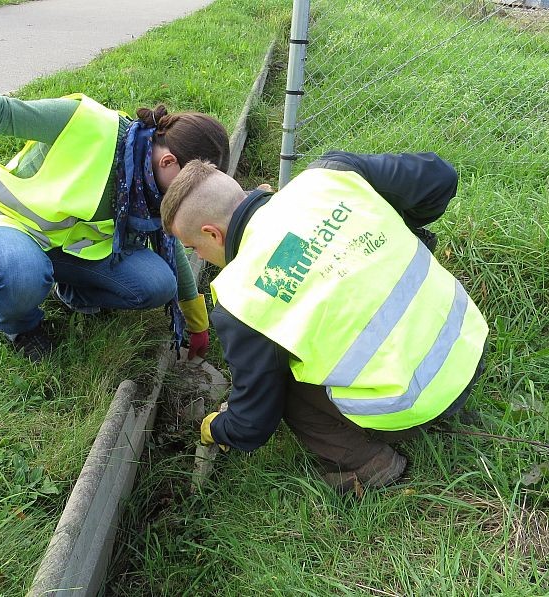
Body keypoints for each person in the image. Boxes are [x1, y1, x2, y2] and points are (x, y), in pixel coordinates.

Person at [160, 152, 489, 492]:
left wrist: (217, 428)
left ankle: (368, 464)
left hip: (412, 403)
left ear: (212, 233)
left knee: (277, 377)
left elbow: (253, 422)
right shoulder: (329, 176)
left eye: (193, 247)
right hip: (469, 342)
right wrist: (399, 228)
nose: (198, 257)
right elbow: (440, 177)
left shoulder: (241, 297)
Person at [0, 0, 229, 361]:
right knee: (23, 275)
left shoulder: (153, 187)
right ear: (168, 160)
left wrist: (196, 321)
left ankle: (70, 292)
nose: (183, 201)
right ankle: (19, 324)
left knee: (158, 284)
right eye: (186, 189)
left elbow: (174, 251)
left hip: (70, 250)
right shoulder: (85, 122)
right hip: (12, 225)